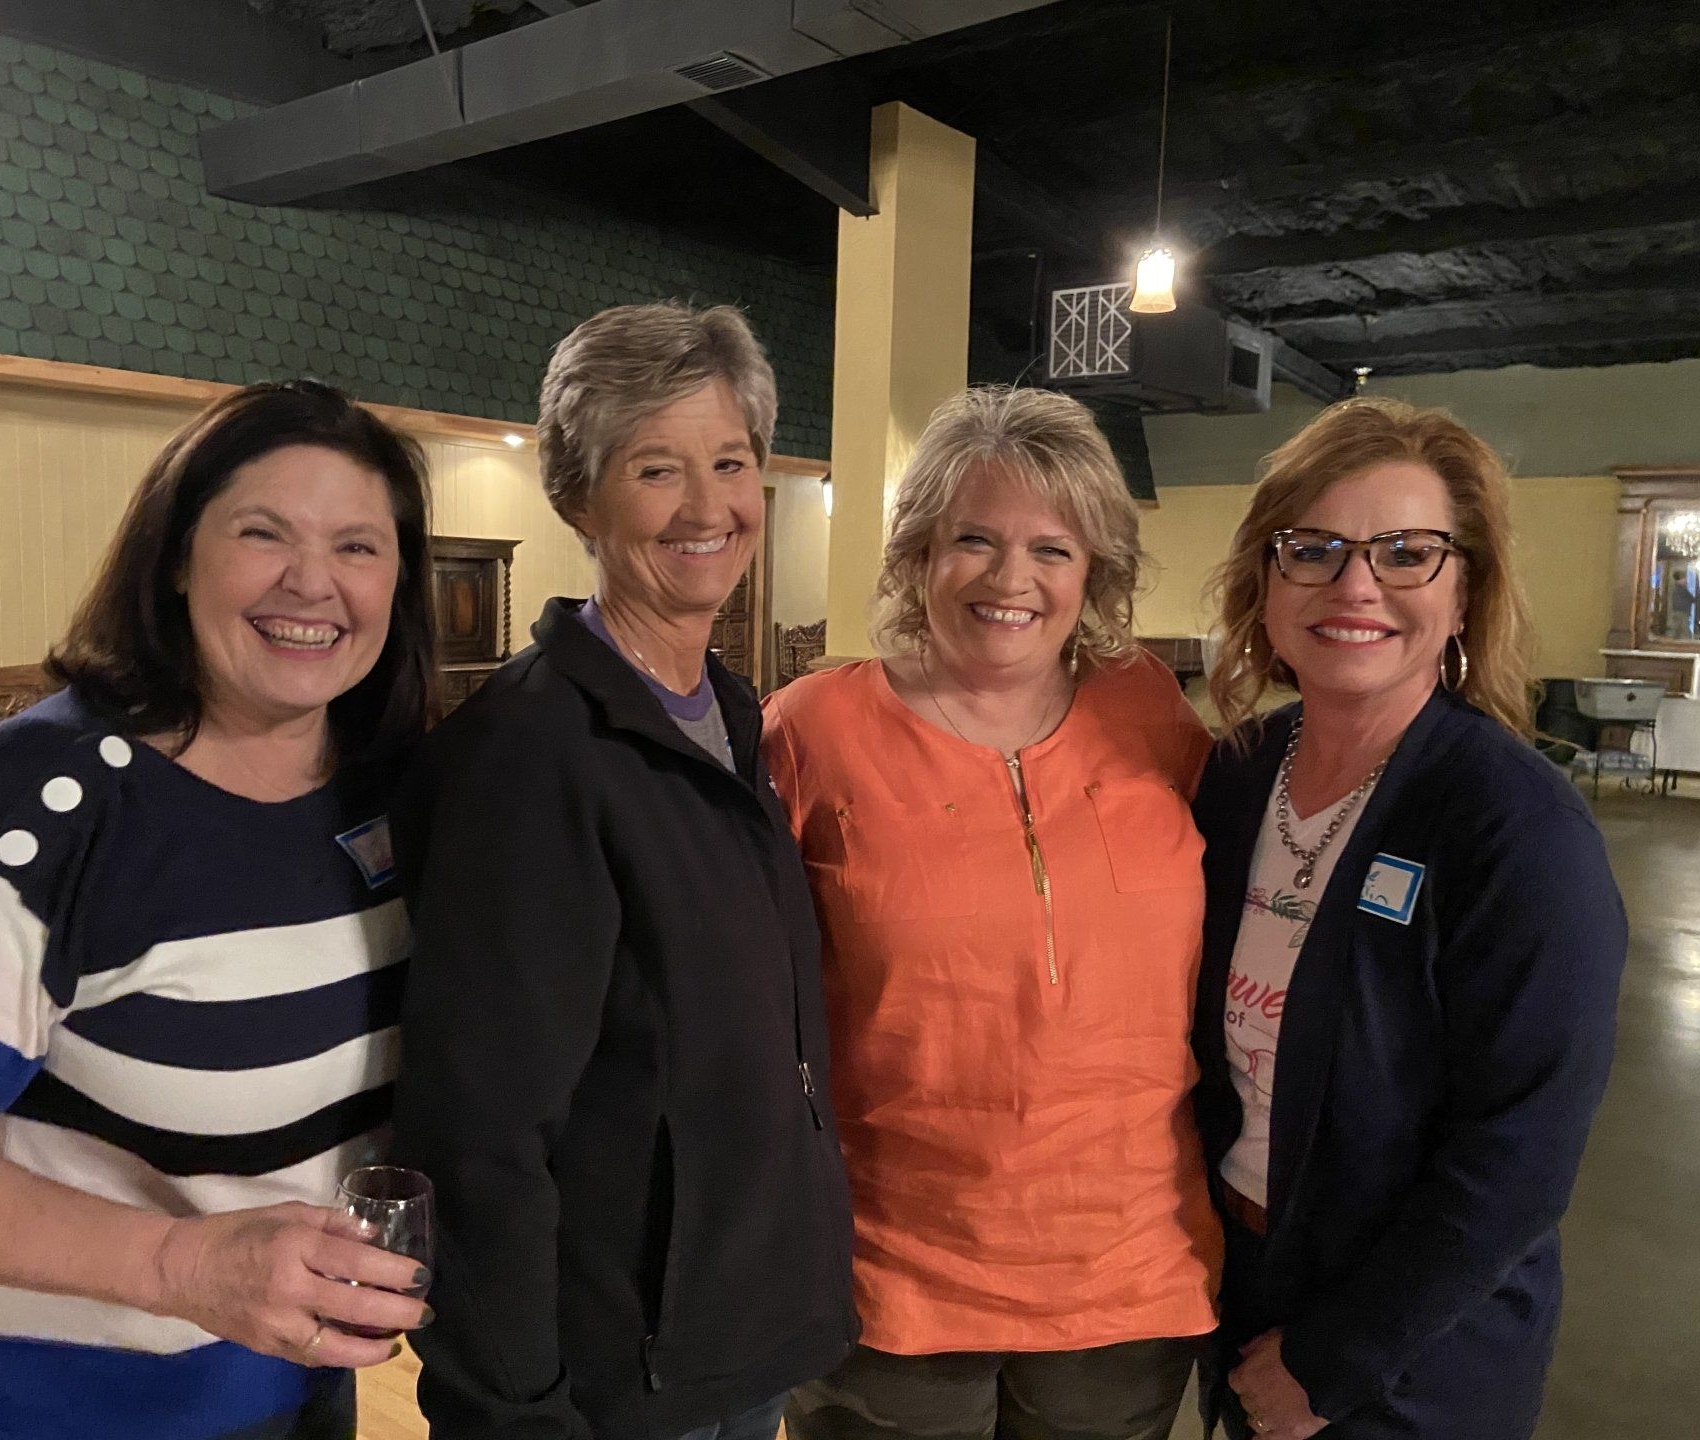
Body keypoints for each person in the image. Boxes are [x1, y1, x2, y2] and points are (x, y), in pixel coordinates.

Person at [0, 380, 438, 1440]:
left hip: (288, 1382)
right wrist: (181, 1263)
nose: (313, 581)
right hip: (53, 1396)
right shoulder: (35, 803)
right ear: (177, 556)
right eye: (263, 532)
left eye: (359, 546)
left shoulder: (387, 789)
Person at [389, 301, 856, 1440]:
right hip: (618, 1374)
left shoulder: (730, 713)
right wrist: (511, 1407)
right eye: (657, 469)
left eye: (732, 463)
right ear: (576, 498)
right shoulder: (528, 755)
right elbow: (479, 1129)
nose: (709, 509)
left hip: (736, 1327)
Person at [763, 386, 1221, 1440]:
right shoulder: (813, 732)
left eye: (1053, 549)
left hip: (1128, 1278)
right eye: (975, 538)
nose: (1013, 579)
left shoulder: (1147, 709)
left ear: (1092, 571)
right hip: (886, 1281)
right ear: (919, 552)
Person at [1191, 398, 1628, 1440]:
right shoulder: (1237, 776)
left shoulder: (1515, 827)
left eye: (1406, 552)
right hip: (1241, 1287)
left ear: (1467, 589)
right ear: (1267, 579)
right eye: (1314, 550)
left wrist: (1333, 1360)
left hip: (1413, 1362)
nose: (1355, 587)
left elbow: (1519, 1155)